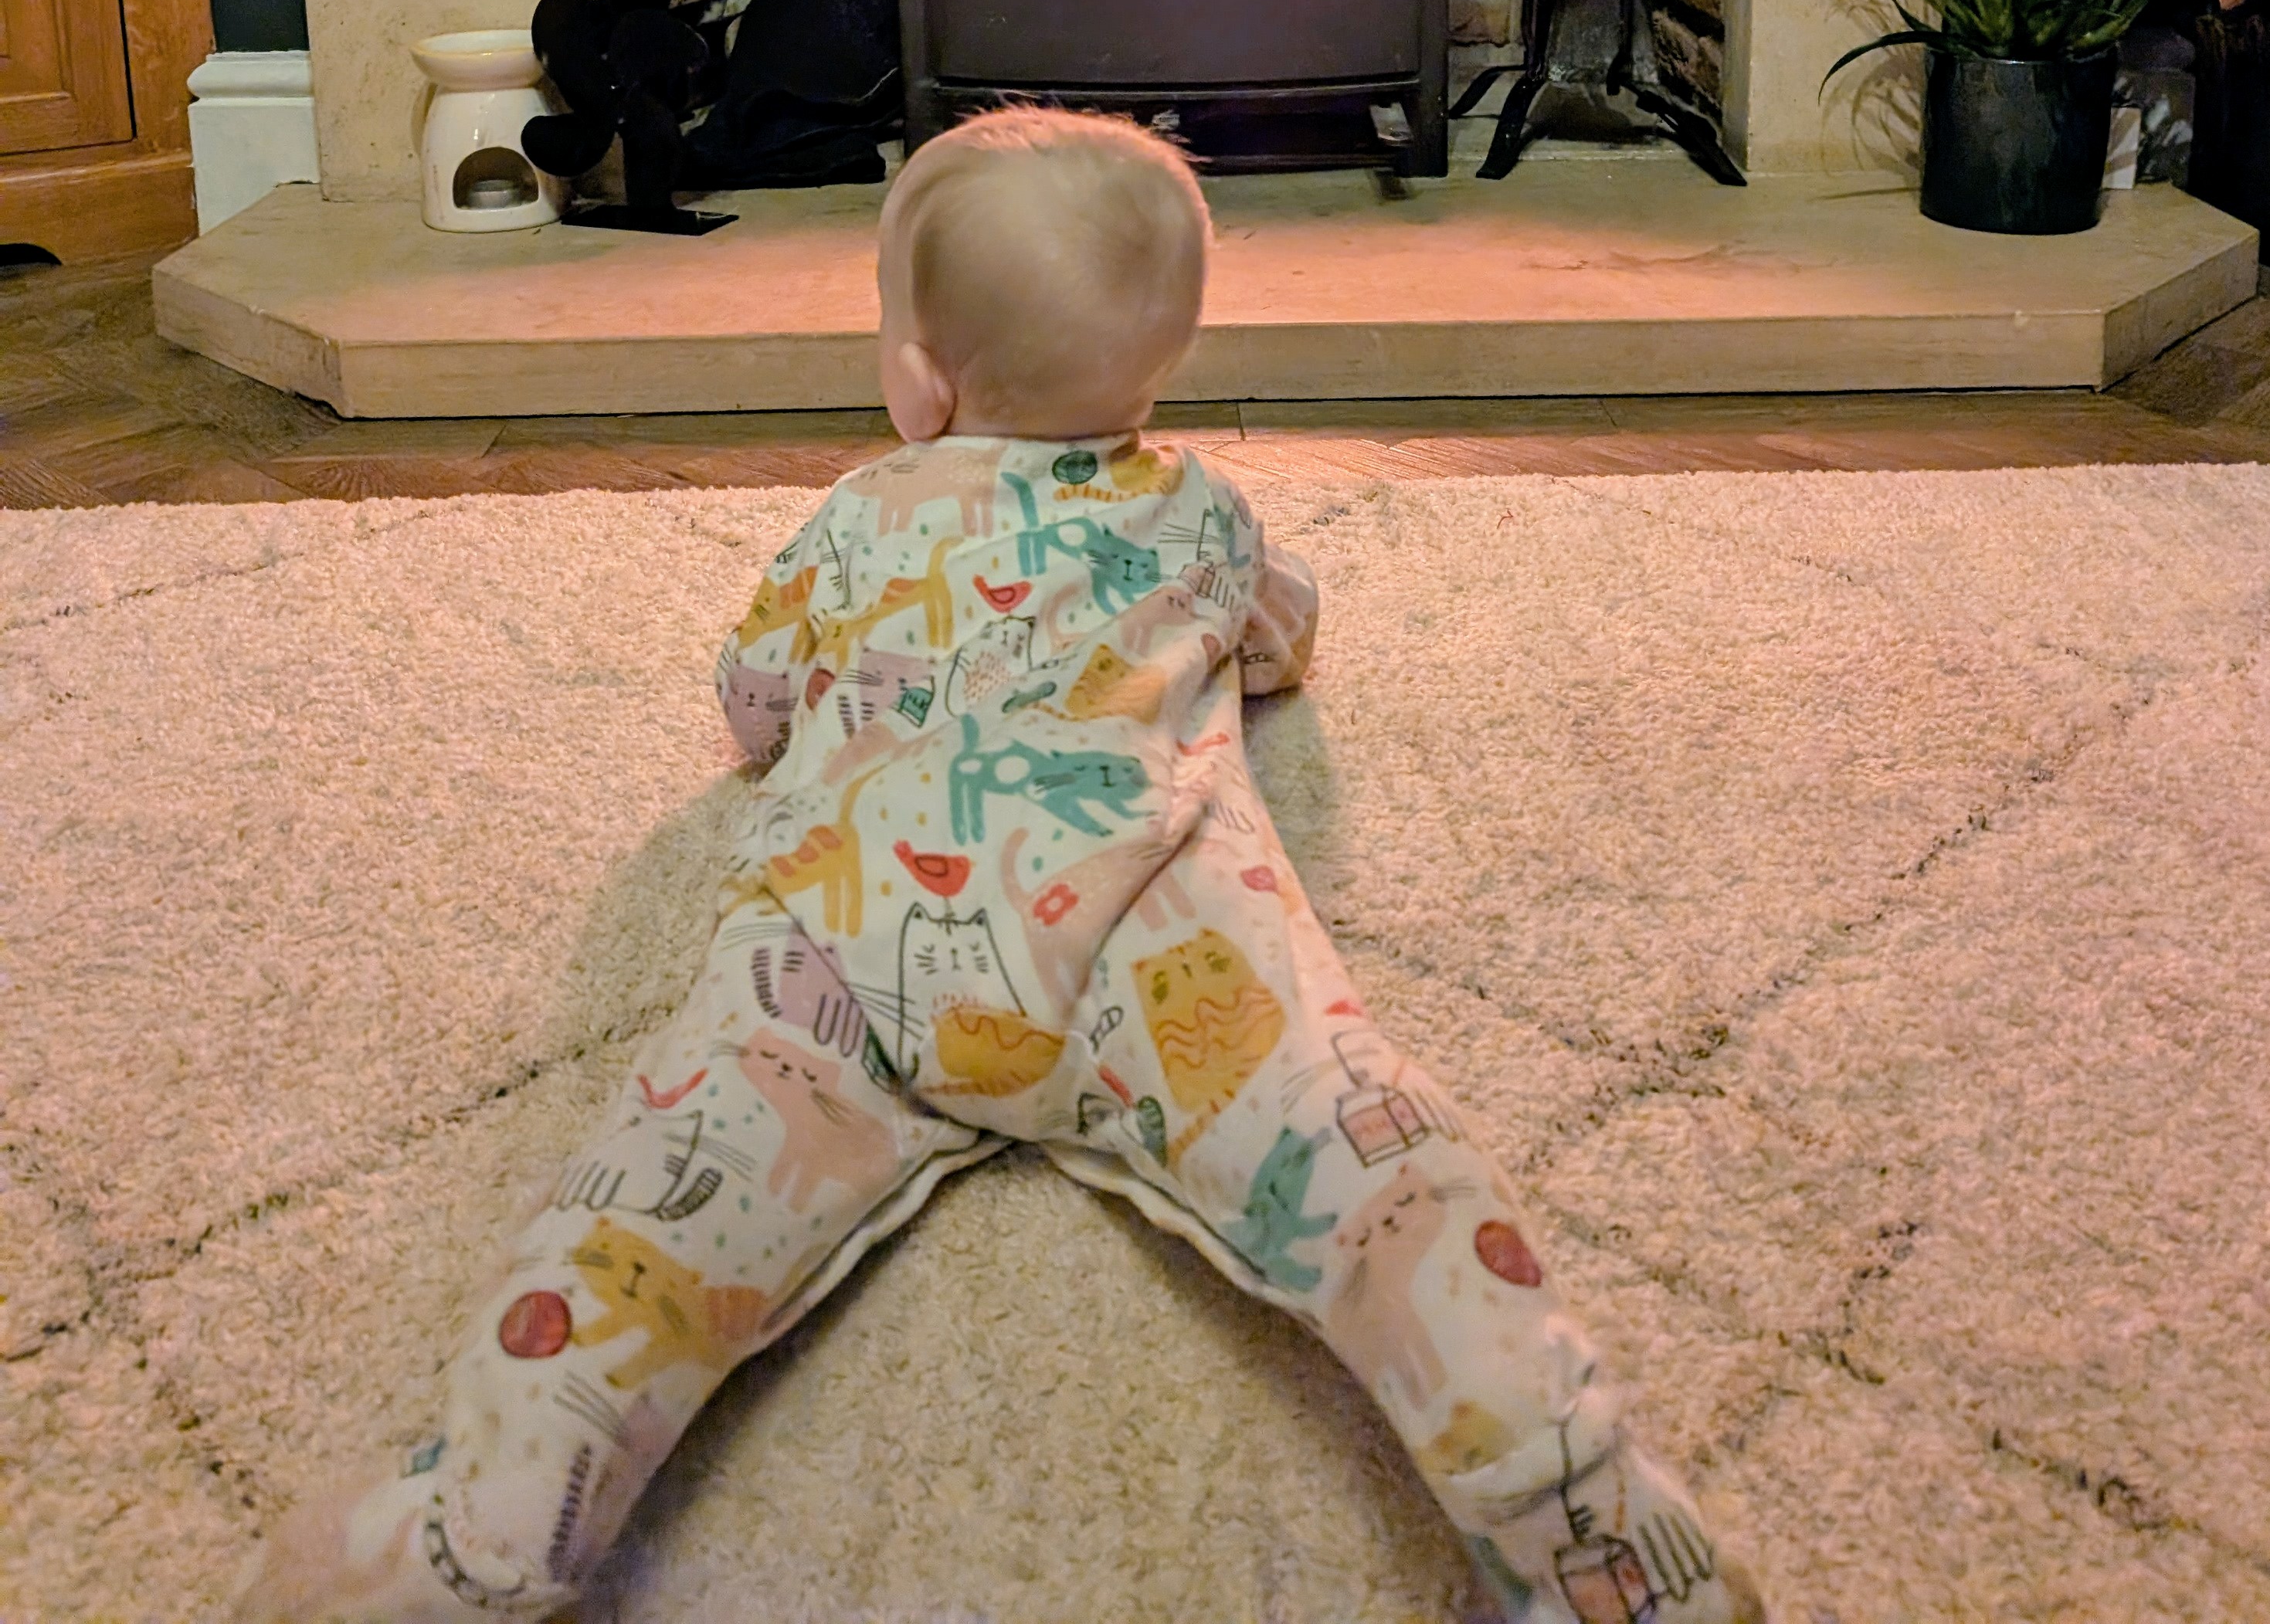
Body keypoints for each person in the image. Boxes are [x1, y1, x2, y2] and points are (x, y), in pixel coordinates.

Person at [242, 107, 1760, 1624]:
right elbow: (1285, 640)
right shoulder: (1203, 513)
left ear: (917, 378)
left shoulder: (857, 515)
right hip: (1159, 944)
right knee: (1397, 1193)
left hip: (844, 951)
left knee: (642, 1228)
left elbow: (753, 701)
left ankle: (470, 1546)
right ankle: (1607, 1547)